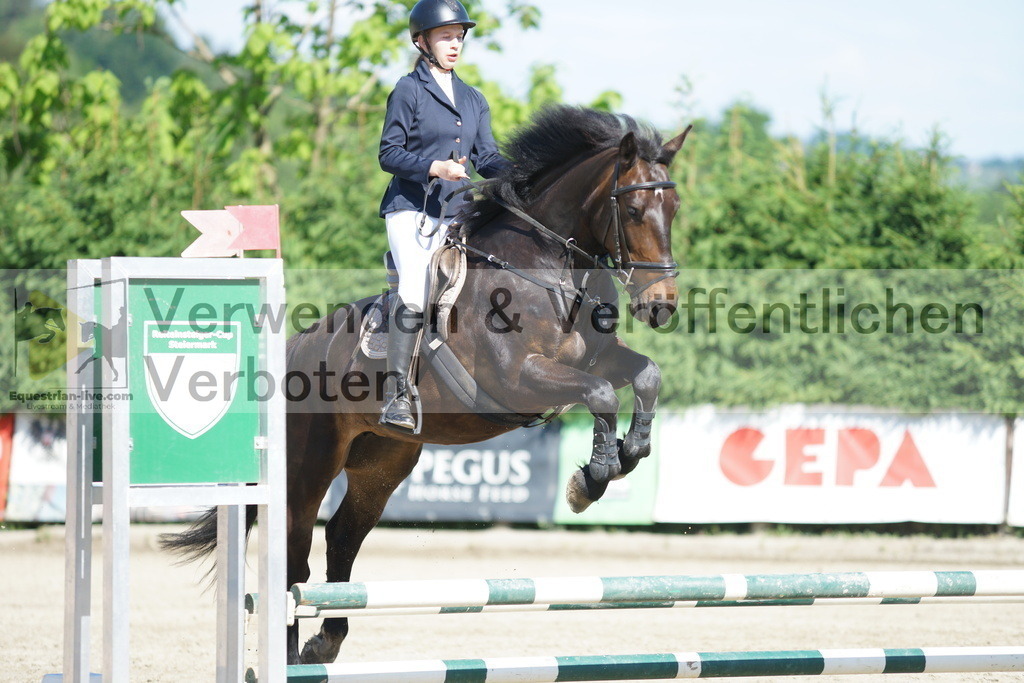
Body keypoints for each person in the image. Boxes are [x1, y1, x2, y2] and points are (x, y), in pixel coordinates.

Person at [377, 0, 508, 430]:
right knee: (415, 289)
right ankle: (396, 393)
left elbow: (487, 156)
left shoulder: (473, 99)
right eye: (446, 36)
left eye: (459, 36)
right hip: (412, 211)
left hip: (457, 215)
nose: (455, 44)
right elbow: (388, 153)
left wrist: (525, 176)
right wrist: (434, 167)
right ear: (423, 41)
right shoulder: (408, 90)